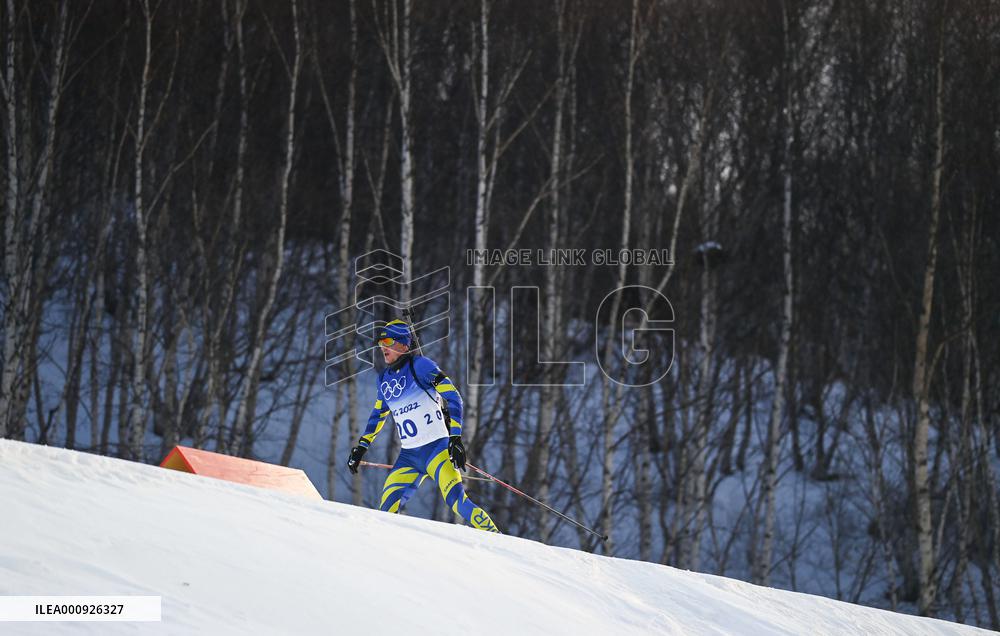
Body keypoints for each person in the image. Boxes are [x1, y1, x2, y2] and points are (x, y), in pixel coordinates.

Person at [346, 319, 500, 533]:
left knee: (457, 502)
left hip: (437, 450)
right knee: (385, 511)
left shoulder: (421, 366)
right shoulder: (384, 380)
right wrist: (362, 446)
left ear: (403, 345)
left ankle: (498, 538)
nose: (383, 347)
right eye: (380, 342)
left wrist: (455, 438)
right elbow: (378, 415)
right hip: (408, 457)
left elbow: (454, 397)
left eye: (388, 341)